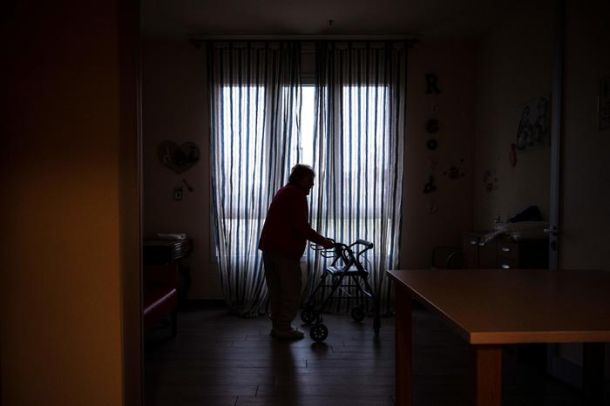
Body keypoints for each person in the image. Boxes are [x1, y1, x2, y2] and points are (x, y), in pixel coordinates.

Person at [259, 164, 334, 339]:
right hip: (284, 251)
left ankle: (278, 326)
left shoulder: (284, 191)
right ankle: (284, 328)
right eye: (310, 180)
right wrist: (324, 242)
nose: (312, 184)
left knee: (277, 290)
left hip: (270, 248)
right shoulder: (296, 195)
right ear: (300, 179)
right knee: (291, 291)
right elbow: (301, 226)